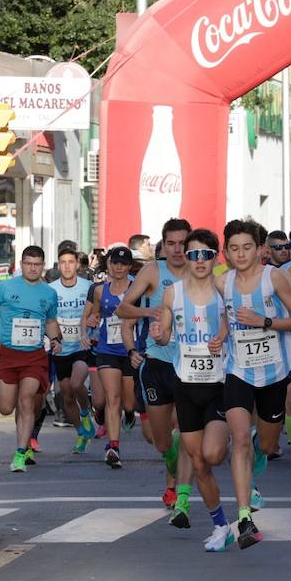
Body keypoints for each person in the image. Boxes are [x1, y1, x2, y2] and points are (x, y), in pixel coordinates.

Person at [221, 219, 291, 547]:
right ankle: (244, 517)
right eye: (234, 248)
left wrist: (265, 322)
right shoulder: (223, 283)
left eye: (247, 247)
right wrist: (219, 335)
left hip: (274, 373)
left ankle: (258, 454)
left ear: (260, 250)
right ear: (226, 252)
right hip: (238, 370)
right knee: (239, 439)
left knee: (268, 446)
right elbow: (223, 317)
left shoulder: (275, 277)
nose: (240, 254)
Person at [148, 228, 236, 552]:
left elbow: (236, 319)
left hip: (217, 386)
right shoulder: (173, 293)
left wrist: (223, 334)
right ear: (186, 256)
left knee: (213, 454)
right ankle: (220, 524)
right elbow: (165, 333)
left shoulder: (224, 288)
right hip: (185, 387)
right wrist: (159, 334)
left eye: (206, 254)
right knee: (198, 463)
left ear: (215, 257)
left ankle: (244, 462)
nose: (200, 261)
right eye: (194, 254)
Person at [118, 218, 194, 519]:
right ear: (164, 246)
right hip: (158, 362)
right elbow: (124, 308)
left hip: (190, 363)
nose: (178, 249)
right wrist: (149, 310)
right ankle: (172, 462)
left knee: (185, 432)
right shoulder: (153, 271)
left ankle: (181, 495)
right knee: (162, 440)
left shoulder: (200, 270)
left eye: (182, 243)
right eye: (171, 243)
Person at [0, 245, 60, 471]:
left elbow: (51, 321)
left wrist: (55, 339)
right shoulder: (5, 287)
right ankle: (22, 442)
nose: (32, 268)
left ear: (42, 266)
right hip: (8, 355)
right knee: (6, 407)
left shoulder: (49, 293)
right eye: (28, 264)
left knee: (26, 400)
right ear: (22, 264)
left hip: (34, 356)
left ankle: (21, 453)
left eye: (37, 264)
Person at [85, 245, 140, 469]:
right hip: (107, 349)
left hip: (130, 349)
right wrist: (92, 321)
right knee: (112, 398)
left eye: (123, 264)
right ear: (108, 265)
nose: (118, 268)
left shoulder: (137, 288)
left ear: (129, 266)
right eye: (114, 263)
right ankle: (113, 446)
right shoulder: (100, 290)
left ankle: (129, 414)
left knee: (128, 402)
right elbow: (95, 312)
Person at [50, 244, 97, 454]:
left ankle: (86, 412)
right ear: (58, 265)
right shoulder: (51, 289)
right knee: (67, 395)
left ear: (77, 264)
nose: (67, 266)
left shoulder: (89, 286)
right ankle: (81, 432)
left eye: (71, 262)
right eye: (63, 263)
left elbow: (98, 310)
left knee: (78, 383)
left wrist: (93, 322)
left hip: (81, 345)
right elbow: (48, 318)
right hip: (61, 348)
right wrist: (53, 338)